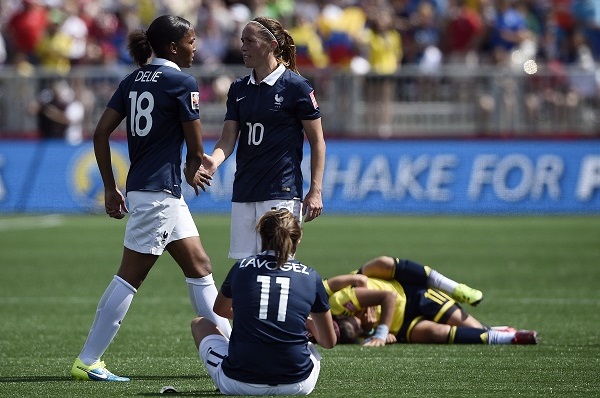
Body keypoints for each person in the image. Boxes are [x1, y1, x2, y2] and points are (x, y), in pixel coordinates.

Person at [71, 15, 232, 382]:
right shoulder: (182, 81)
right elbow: (195, 149)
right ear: (173, 47)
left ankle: (234, 346)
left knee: (200, 266)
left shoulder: (131, 80)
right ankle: (88, 359)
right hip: (158, 193)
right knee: (130, 278)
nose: (196, 46)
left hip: (158, 191)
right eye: (191, 41)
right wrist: (196, 167)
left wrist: (111, 187)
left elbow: (100, 133)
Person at [199, 16, 326, 260]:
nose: (242, 47)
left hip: (282, 191)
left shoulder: (296, 87)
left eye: (250, 41)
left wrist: (316, 190)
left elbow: (317, 140)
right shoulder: (238, 89)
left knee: (278, 267)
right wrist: (214, 162)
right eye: (241, 41)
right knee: (244, 269)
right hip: (245, 190)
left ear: (272, 45)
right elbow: (227, 140)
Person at [191, 208, 337, 395]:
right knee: (306, 346)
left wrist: (251, 316)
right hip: (297, 385)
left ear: (261, 235)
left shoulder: (242, 267)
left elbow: (219, 309)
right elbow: (328, 341)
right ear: (297, 239)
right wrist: (305, 322)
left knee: (199, 324)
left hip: (238, 384)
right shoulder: (310, 276)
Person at [323, 256, 538, 347]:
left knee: (383, 262)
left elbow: (388, 296)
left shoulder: (339, 302)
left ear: (343, 315)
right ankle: (511, 337)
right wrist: (378, 334)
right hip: (403, 326)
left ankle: (455, 288)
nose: (362, 324)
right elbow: (370, 335)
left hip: (413, 296)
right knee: (439, 334)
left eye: (359, 322)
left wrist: (379, 331)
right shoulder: (346, 334)